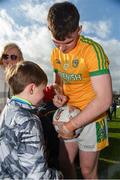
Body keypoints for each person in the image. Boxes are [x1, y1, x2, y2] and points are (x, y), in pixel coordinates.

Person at [47, 1, 112, 179]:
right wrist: (59, 93)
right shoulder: (55, 54)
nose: (61, 49)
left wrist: (71, 126)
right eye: (56, 43)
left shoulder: (92, 51)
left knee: (87, 171)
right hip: (69, 113)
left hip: (92, 117)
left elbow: (105, 100)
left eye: (67, 43)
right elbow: (58, 81)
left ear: (79, 29)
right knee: (64, 163)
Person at [0, 61, 62, 179]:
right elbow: (37, 175)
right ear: (32, 88)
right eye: (42, 90)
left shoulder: (8, 109)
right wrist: (58, 176)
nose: (44, 95)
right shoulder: (29, 122)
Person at [0, 43, 24, 113]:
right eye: (5, 56)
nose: (9, 59)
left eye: (13, 57)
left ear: (19, 60)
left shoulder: (22, 77)